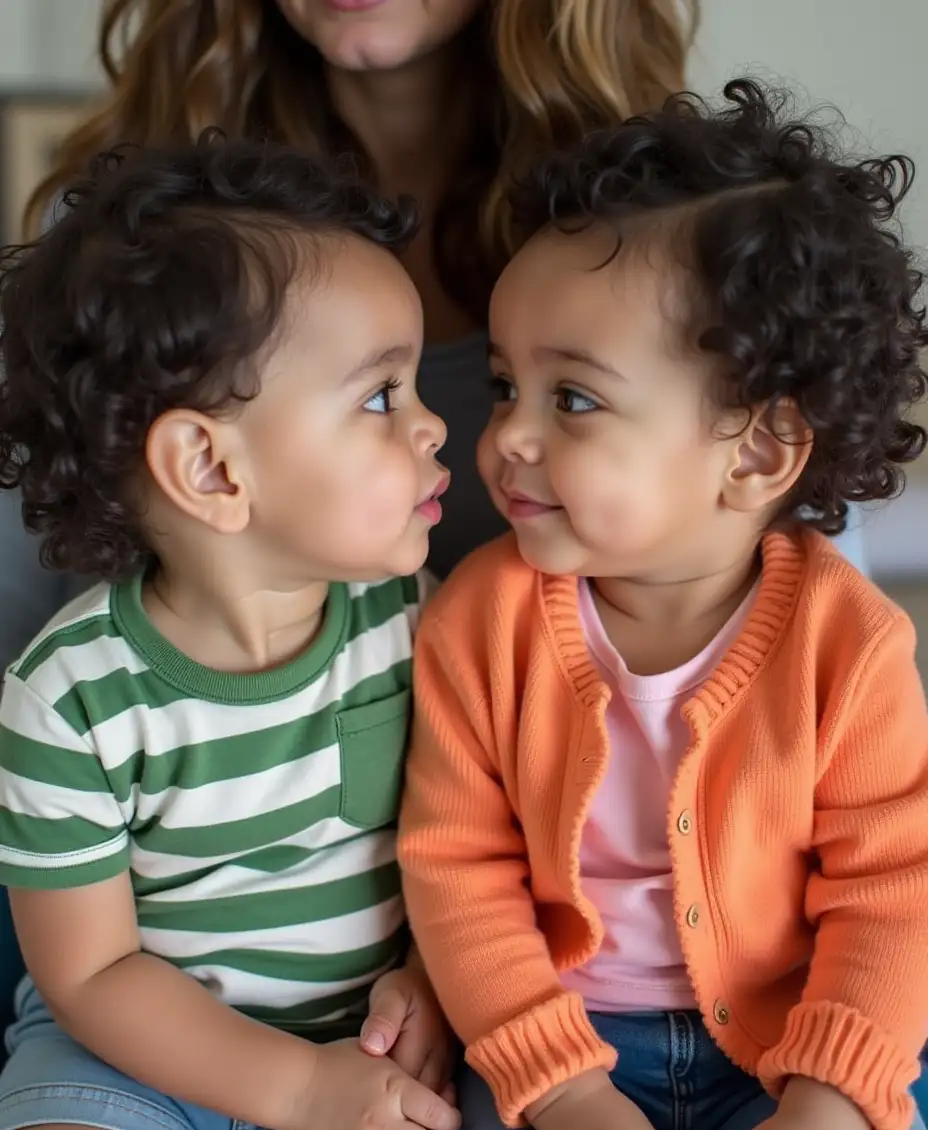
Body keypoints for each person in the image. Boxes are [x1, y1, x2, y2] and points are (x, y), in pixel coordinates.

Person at [396, 80, 928, 1130]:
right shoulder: (477, 624)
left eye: (572, 397)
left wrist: (827, 1113)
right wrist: (572, 1095)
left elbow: (891, 896)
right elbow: (456, 871)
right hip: (558, 1047)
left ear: (761, 446)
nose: (507, 434)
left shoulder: (854, 644)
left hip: (792, 1048)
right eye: (503, 386)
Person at [0, 0, 875, 679]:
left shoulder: (693, 249)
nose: (485, 441)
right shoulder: (127, 249)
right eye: (500, 386)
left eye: (571, 395)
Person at [0, 136, 460, 1130]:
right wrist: (295, 1087)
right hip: (126, 1065)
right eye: (379, 396)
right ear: (212, 469)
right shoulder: (68, 693)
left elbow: (475, 847)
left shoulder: (419, 622)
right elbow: (94, 973)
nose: (433, 421)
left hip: (358, 1056)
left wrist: (428, 982)